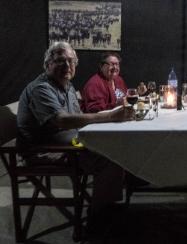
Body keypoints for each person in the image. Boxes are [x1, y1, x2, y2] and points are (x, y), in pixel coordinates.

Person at [16, 42, 135, 232]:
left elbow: (78, 119)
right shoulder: (41, 89)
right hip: (45, 151)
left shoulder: (67, 86)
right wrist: (109, 116)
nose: (67, 66)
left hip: (70, 144)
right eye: (60, 61)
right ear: (47, 64)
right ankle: (98, 218)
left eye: (71, 61)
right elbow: (62, 121)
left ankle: (106, 206)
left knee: (115, 149)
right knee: (111, 158)